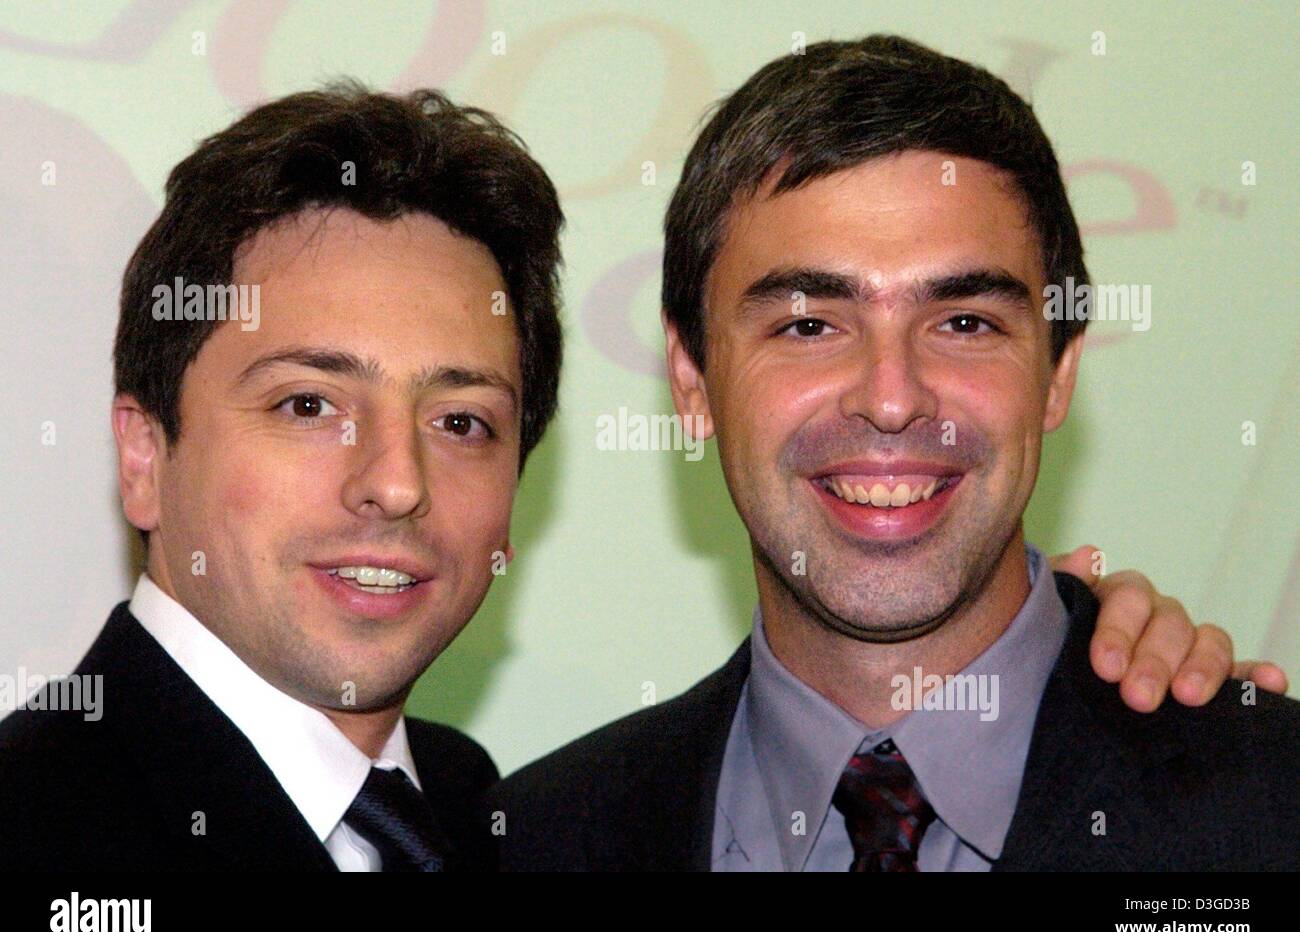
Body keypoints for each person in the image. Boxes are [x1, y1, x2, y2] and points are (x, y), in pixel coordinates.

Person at [488, 35, 1300, 871]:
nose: (891, 398)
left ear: (1058, 373)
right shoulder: (534, 842)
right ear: (691, 377)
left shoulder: (1273, 807)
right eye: (808, 326)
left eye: (964, 323)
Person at [0, 83, 563, 870]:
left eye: (460, 422)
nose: (398, 483)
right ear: (144, 457)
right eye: (308, 404)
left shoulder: (494, 816)